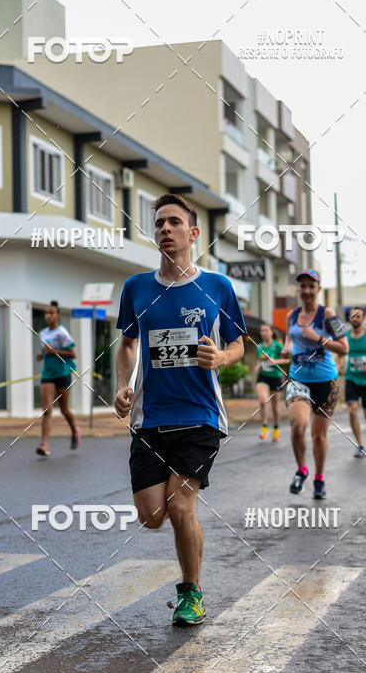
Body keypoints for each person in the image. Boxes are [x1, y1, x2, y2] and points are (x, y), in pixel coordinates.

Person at [114, 193, 245, 626]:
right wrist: (122, 386)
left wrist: (221, 358)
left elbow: (239, 344)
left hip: (200, 416)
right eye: (158, 224)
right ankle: (189, 582)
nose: (164, 229)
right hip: (150, 419)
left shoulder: (217, 287)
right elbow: (128, 344)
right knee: (152, 515)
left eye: (173, 222)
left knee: (180, 505)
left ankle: (192, 592)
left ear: (193, 233)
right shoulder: (137, 288)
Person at [285, 269, 349, 499]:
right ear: (299, 290)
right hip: (298, 378)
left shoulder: (328, 315)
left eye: (311, 286)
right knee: (297, 425)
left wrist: (318, 338)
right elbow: (289, 339)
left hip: (326, 382)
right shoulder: (291, 316)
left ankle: (319, 478)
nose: (307, 291)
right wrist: (286, 348)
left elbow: (344, 347)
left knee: (318, 437)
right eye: (303, 286)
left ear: (318, 289)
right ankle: (302, 469)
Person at [36, 301, 81, 456]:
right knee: (47, 409)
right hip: (47, 374)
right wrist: (41, 354)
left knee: (64, 409)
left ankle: (75, 431)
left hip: (63, 373)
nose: (48, 316)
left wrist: (53, 351)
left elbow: (73, 354)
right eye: (46, 313)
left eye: (51, 313)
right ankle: (44, 445)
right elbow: (45, 351)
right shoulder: (42, 333)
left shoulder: (62, 333)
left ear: (57, 315)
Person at [344, 308, 366, 458]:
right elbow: (341, 352)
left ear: (363, 318)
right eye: (352, 316)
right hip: (351, 378)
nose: (355, 318)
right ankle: (360, 445)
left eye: (358, 316)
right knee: (352, 409)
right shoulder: (345, 336)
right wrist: (339, 364)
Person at [255, 323, 289, 441]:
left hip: (275, 377)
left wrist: (276, 361)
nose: (264, 333)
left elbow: (288, 359)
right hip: (262, 376)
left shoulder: (277, 345)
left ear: (271, 332)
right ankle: (264, 428)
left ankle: (276, 428)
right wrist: (257, 366)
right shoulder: (259, 346)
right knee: (263, 401)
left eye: (266, 330)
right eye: (262, 331)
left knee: (275, 407)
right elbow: (260, 360)